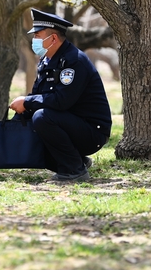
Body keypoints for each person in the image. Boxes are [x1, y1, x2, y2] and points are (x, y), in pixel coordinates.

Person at [9, 9, 111, 182]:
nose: (35, 40)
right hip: (70, 123)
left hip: (92, 132)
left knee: (42, 117)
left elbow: (61, 101)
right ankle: (76, 161)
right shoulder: (47, 60)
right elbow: (39, 96)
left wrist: (27, 102)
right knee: (29, 119)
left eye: (38, 35)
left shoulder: (74, 61)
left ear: (53, 38)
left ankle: (75, 171)